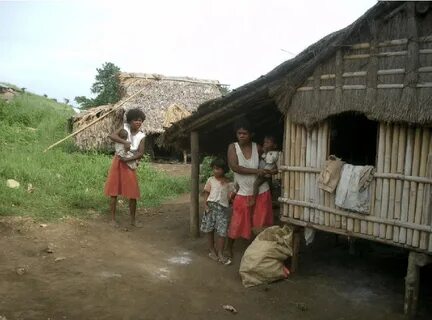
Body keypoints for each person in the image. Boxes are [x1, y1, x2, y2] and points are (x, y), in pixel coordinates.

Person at [226, 119, 276, 258]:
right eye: (239, 133)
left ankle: (256, 253)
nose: (241, 136)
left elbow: (269, 161)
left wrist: (270, 170)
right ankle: (228, 248)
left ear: (251, 134)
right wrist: (257, 171)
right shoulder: (233, 147)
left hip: (262, 191)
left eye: (245, 133)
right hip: (243, 192)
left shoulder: (258, 148)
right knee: (237, 222)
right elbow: (234, 167)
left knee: (260, 223)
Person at [104, 108, 146, 227]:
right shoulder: (124, 128)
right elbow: (111, 135)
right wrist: (125, 142)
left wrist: (128, 159)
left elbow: (140, 153)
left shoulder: (142, 136)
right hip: (118, 161)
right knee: (114, 190)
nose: (138, 122)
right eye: (136, 120)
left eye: (140, 121)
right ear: (130, 121)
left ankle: (133, 220)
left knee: (133, 192)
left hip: (130, 162)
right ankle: (112, 219)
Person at [200, 158, 235, 265]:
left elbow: (231, 197)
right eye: (214, 169)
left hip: (223, 209)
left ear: (224, 170)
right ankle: (212, 251)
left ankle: (220, 253)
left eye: (218, 169)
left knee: (222, 232)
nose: (215, 171)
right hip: (211, 207)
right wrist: (205, 205)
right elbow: (206, 193)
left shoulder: (229, 182)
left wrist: (234, 191)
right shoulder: (210, 180)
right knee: (209, 229)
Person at [251, 135, 279, 206]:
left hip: (265, 174)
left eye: (268, 142)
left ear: (274, 145)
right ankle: (271, 201)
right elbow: (262, 159)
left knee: (255, 184)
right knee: (269, 187)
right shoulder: (265, 153)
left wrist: (265, 152)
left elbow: (269, 162)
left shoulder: (274, 154)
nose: (265, 144)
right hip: (264, 173)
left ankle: (254, 199)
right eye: (265, 142)